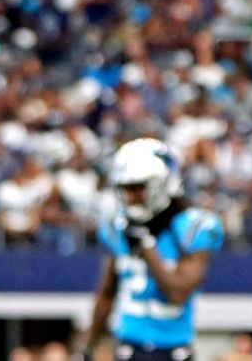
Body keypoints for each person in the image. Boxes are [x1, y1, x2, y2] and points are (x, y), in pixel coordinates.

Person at [80, 138, 224, 361]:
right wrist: (86, 348)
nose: (130, 197)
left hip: (174, 349)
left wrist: (147, 248)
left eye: (138, 188)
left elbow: (177, 293)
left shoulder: (193, 227)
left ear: (162, 183)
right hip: (128, 347)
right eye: (125, 189)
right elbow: (107, 293)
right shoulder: (116, 227)